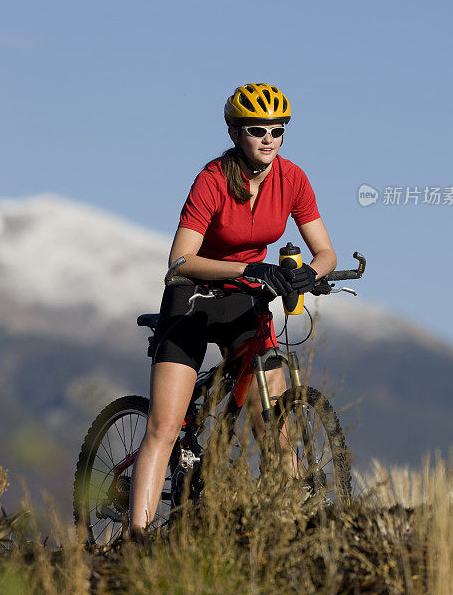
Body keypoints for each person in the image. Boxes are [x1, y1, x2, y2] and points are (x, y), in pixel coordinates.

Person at [129, 83, 337, 533]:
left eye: (277, 130)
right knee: (164, 429)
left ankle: (292, 532)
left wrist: (310, 274)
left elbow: (326, 253)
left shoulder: (293, 179)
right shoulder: (211, 179)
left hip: (248, 300)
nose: (268, 138)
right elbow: (181, 259)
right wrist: (248, 266)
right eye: (256, 129)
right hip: (194, 298)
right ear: (234, 131)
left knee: (277, 431)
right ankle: (137, 539)